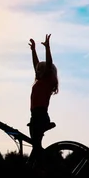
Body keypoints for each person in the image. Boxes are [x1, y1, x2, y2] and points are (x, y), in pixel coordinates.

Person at [28, 34, 59, 165]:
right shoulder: (40, 80)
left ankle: (41, 168)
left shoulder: (47, 80)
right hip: (34, 116)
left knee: (36, 146)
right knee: (36, 146)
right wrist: (33, 50)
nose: (38, 71)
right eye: (38, 70)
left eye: (42, 69)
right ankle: (36, 168)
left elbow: (48, 62)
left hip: (40, 116)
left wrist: (47, 48)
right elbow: (36, 64)